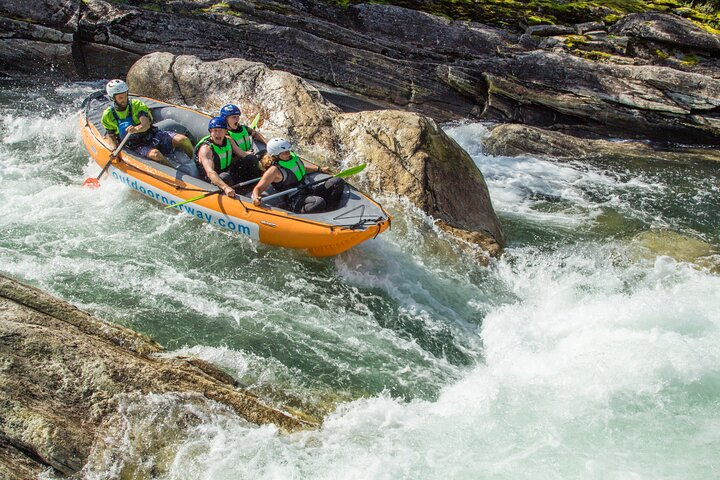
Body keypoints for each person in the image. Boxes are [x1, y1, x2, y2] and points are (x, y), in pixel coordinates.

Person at [101, 79, 195, 174]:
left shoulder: (136, 105)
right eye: (120, 97)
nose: (124, 100)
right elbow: (111, 135)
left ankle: (196, 164)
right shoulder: (108, 115)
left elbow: (145, 125)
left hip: (153, 135)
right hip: (136, 145)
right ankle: (179, 174)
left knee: (183, 140)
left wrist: (136, 129)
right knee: (155, 154)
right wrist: (113, 149)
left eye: (125, 96)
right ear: (113, 98)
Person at [251, 138, 344, 213]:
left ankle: (329, 211)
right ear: (275, 155)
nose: (288, 152)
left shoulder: (292, 158)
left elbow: (301, 169)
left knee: (337, 181)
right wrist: (256, 198)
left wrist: (319, 169)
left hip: (308, 189)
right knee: (318, 202)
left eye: (288, 150)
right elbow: (258, 188)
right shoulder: (274, 170)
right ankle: (301, 211)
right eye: (284, 152)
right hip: (294, 199)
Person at [194, 116, 261, 198]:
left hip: (227, 171)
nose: (218, 134)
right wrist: (225, 187)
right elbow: (210, 173)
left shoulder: (228, 140)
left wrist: (259, 159)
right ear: (210, 132)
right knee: (225, 177)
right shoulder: (206, 149)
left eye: (221, 131)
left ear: (225, 131)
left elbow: (243, 154)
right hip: (213, 179)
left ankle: (253, 188)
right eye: (215, 131)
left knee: (251, 159)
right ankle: (234, 196)